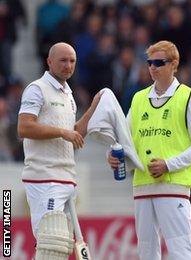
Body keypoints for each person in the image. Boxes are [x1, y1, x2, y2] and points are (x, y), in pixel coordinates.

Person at [107, 40, 191, 259]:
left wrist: (169, 165)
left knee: (181, 250)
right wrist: (114, 155)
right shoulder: (139, 98)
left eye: (159, 63)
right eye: (150, 62)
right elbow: (124, 139)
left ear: (174, 64)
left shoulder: (186, 96)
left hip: (173, 186)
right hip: (143, 186)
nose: (152, 67)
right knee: (146, 252)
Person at [17, 42, 101, 259]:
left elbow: (73, 134)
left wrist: (92, 109)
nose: (68, 65)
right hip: (44, 177)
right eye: (63, 60)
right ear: (49, 61)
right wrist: (63, 133)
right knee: (50, 245)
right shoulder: (37, 89)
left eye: (72, 61)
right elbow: (24, 127)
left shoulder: (69, 96)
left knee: (61, 248)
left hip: (66, 179)